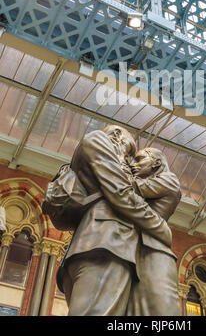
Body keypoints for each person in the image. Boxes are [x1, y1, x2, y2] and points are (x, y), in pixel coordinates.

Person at [57, 125, 172, 316]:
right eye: (129, 150)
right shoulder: (97, 140)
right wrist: (160, 227)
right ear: (118, 135)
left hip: (90, 248)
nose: (130, 160)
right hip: (107, 246)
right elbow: (121, 193)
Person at [126, 147, 182, 316]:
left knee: (159, 309)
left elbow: (132, 186)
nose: (132, 165)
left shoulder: (169, 179)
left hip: (154, 249)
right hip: (138, 248)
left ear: (157, 163)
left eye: (139, 160)